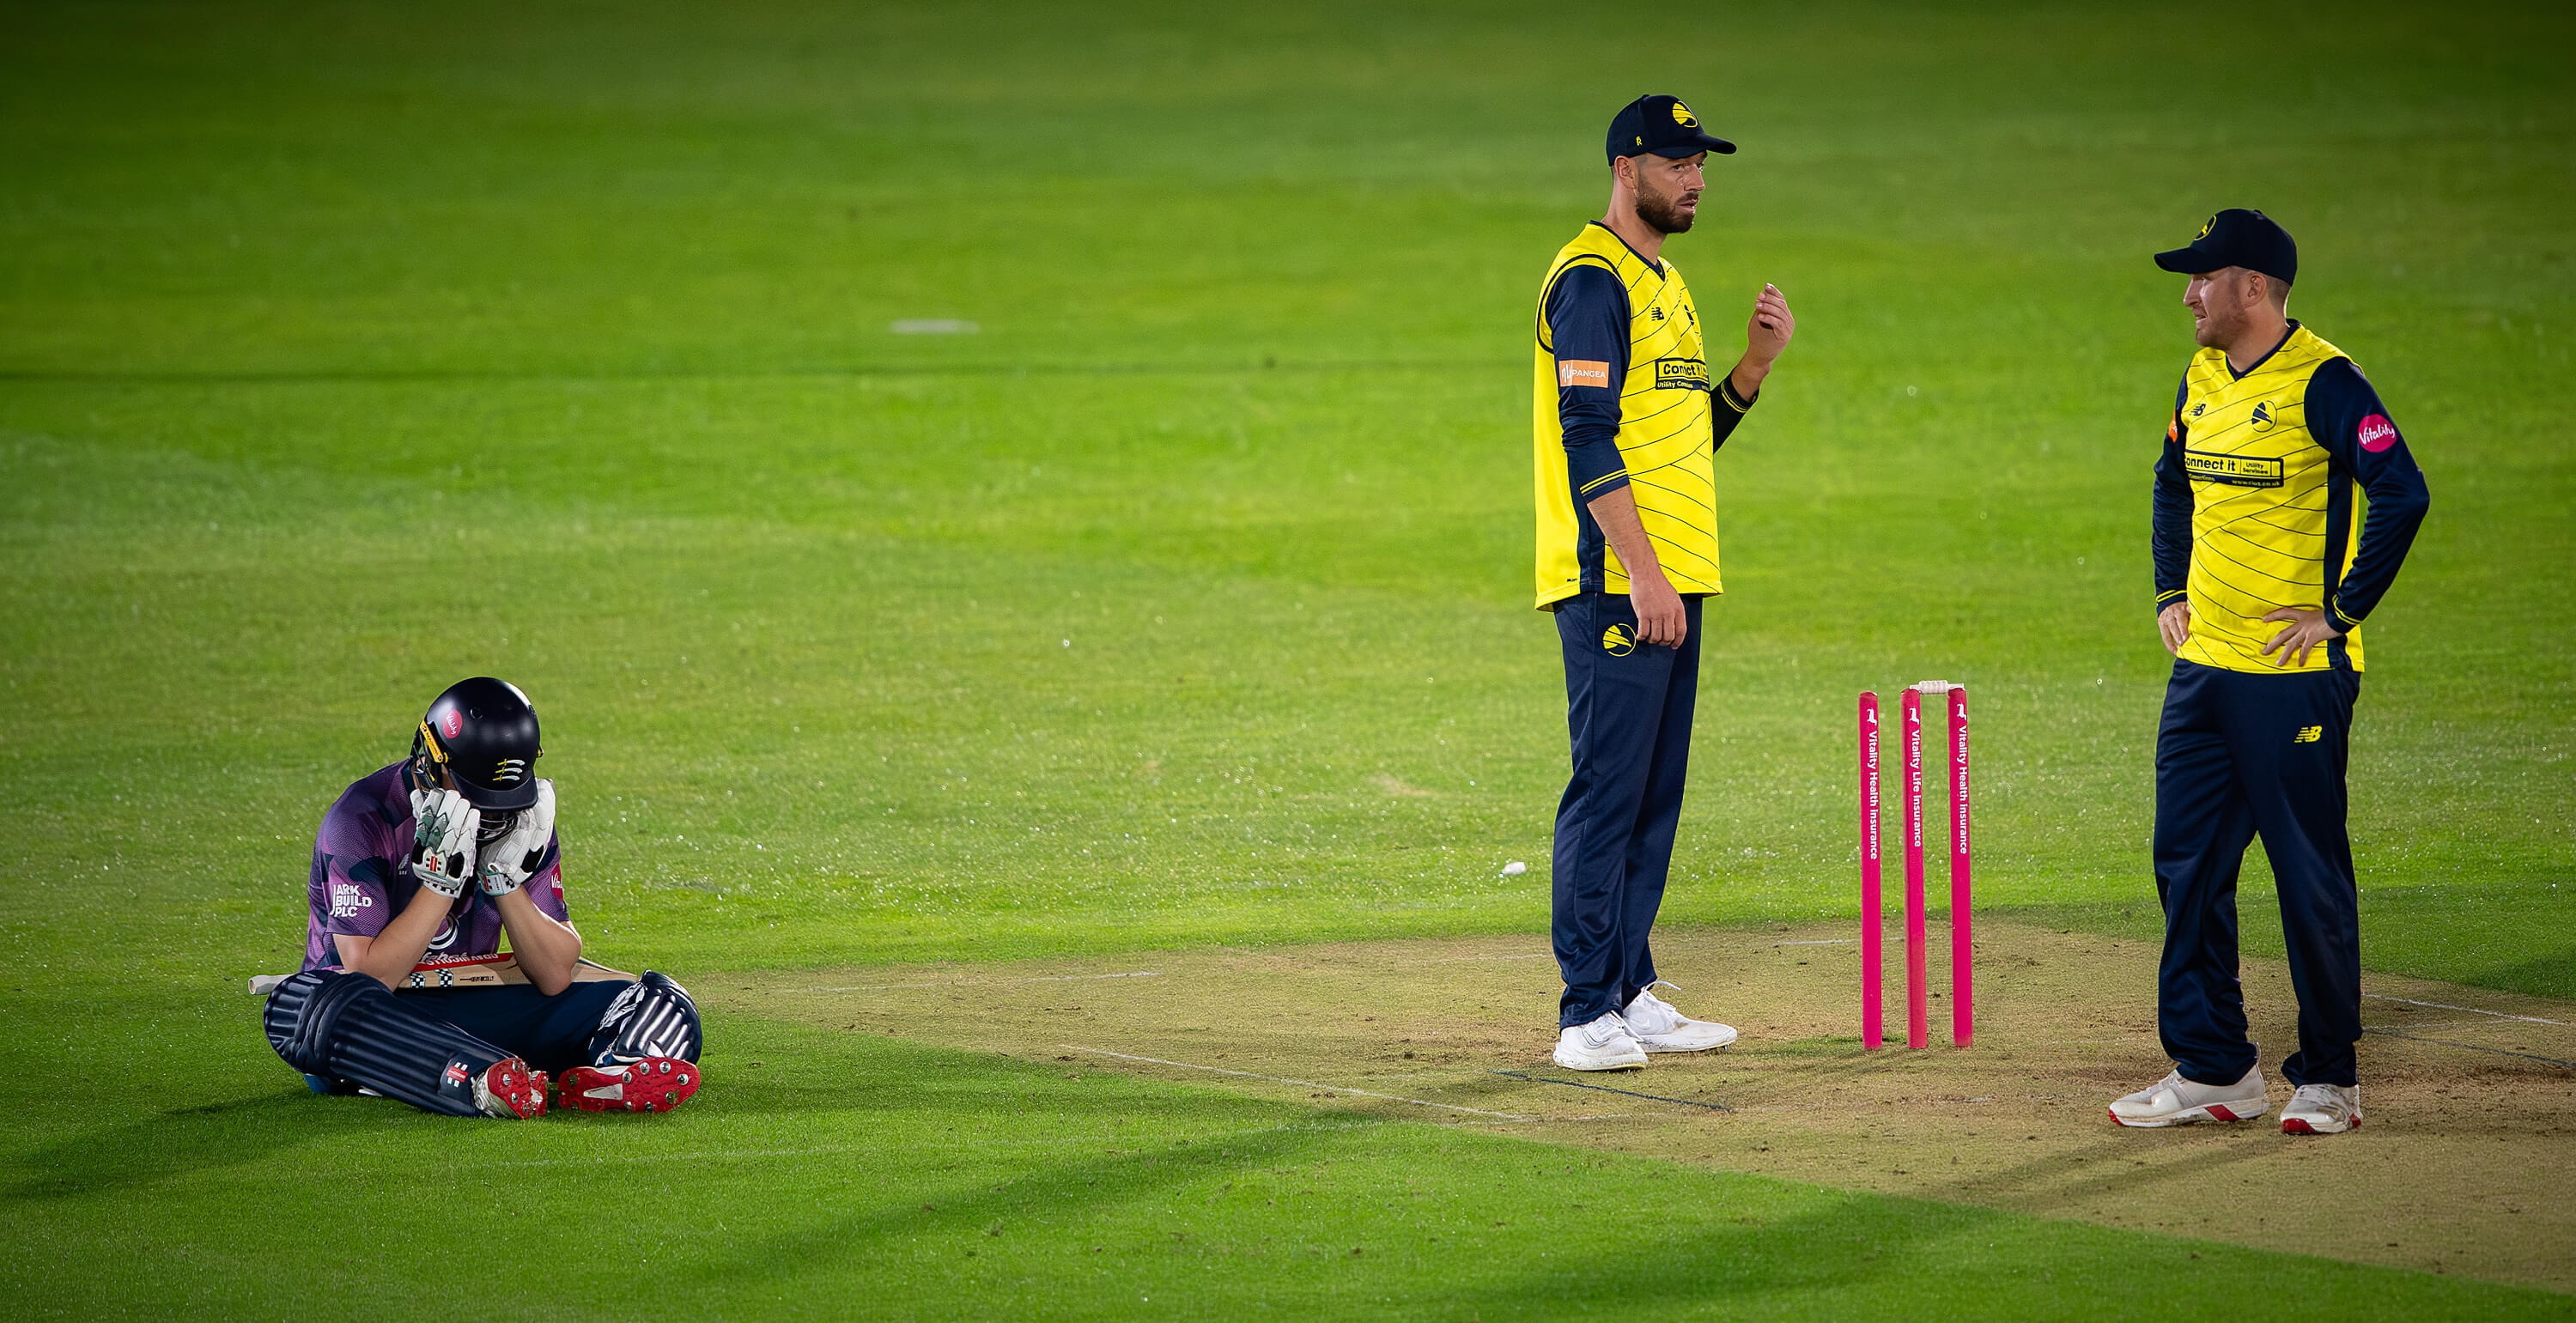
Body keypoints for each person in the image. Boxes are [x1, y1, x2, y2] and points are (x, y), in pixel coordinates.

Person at [2109, 209, 2429, 1134]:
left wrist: (2338, 614)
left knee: (2307, 872)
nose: (2188, 294)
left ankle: (2330, 1075)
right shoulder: (2204, 372)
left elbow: (2402, 491)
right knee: (2188, 867)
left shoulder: (2326, 380)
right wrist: (2170, 585)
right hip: (2204, 671)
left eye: (2202, 278)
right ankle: (2216, 1065)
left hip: (2297, 679)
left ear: (2252, 287)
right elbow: (2173, 478)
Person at [1531, 94, 1795, 1071]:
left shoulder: (1667, 281)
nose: (1694, 180)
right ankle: (1584, 1012)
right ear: (1624, 167)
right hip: (1617, 580)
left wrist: (1751, 372)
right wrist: (1641, 570)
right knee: (1608, 793)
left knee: (1650, 796)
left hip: (1671, 579)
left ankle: (1629, 989)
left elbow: (1680, 440)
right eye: (1677, 162)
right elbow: (1587, 435)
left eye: (1701, 165)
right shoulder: (1594, 279)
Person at [261, 677, 705, 1119]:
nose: (493, 811)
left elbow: (554, 974)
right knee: (299, 1006)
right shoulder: (361, 818)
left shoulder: (519, 819)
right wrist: (440, 885)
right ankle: (480, 1081)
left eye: (504, 797)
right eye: (478, 793)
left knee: (659, 998)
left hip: (475, 997)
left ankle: (615, 1072)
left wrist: (503, 880)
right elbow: (369, 976)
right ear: (431, 761)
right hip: (381, 1018)